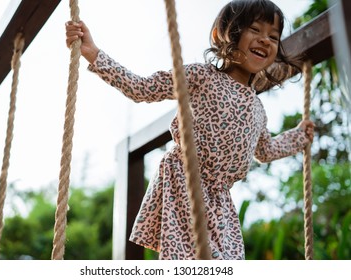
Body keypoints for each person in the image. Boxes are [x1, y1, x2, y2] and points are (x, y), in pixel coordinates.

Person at [65, 0, 315, 260]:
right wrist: (93, 53)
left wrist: (299, 136)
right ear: (225, 34)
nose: (265, 40)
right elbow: (142, 88)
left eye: (273, 36)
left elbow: (265, 150)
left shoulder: (258, 109)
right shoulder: (202, 77)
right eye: (255, 29)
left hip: (220, 203)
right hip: (186, 183)